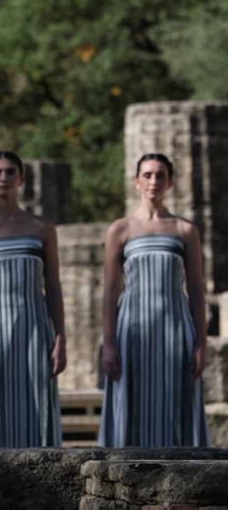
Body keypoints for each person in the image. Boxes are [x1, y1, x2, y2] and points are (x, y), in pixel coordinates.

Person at [98, 153, 208, 446]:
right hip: (131, 330)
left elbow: (196, 288)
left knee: (175, 401)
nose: (153, 181)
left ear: (170, 182)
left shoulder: (185, 230)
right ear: (136, 182)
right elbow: (110, 289)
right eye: (147, 175)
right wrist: (108, 343)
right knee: (132, 404)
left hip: (175, 328)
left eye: (160, 175)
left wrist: (201, 342)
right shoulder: (120, 230)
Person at [0, 151, 65, 447]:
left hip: (35, 328)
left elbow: (53, 285)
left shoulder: (41, 228)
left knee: (38, 401)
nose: (4, 178)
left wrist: (60, 337)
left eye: (10, 172)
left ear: (21, 179)